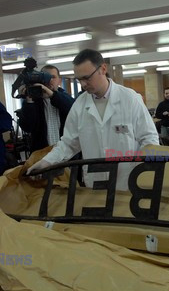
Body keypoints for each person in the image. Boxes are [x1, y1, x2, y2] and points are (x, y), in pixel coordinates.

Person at [27, 49, 159, 190]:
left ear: (103, 69)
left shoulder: (130, 99)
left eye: (86, 78)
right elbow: (68, 144)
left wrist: (148, 172)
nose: (83, 84)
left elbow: (149, 138)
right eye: (79, 79)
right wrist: (47, 161)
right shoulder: (79, 105)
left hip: (128, 182)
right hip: (95, 183)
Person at [17, 64, 75, 153]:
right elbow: (27, 127)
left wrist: (50, 93)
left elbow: (70, 107)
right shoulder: (32, 102)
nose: (49, 80)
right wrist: (29, 100)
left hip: (67, 153)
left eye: (53, 77)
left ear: (59, 81)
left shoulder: (65, 98)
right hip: (42, 154)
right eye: (45, 77)